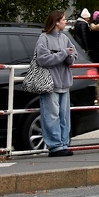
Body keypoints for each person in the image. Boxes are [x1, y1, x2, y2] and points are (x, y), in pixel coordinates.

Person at [35, 9, 77, 157]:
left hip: (65, 83)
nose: (66, 22)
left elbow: (73, 56)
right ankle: (55, 147)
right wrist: (64, 54)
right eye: (64, 19)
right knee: (51, 116)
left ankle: (64, 144)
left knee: (64, 116)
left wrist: (69, 57)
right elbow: (43, 59)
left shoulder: (65, 38)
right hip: (50, 84)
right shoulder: (44, 38)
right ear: (56, 22)